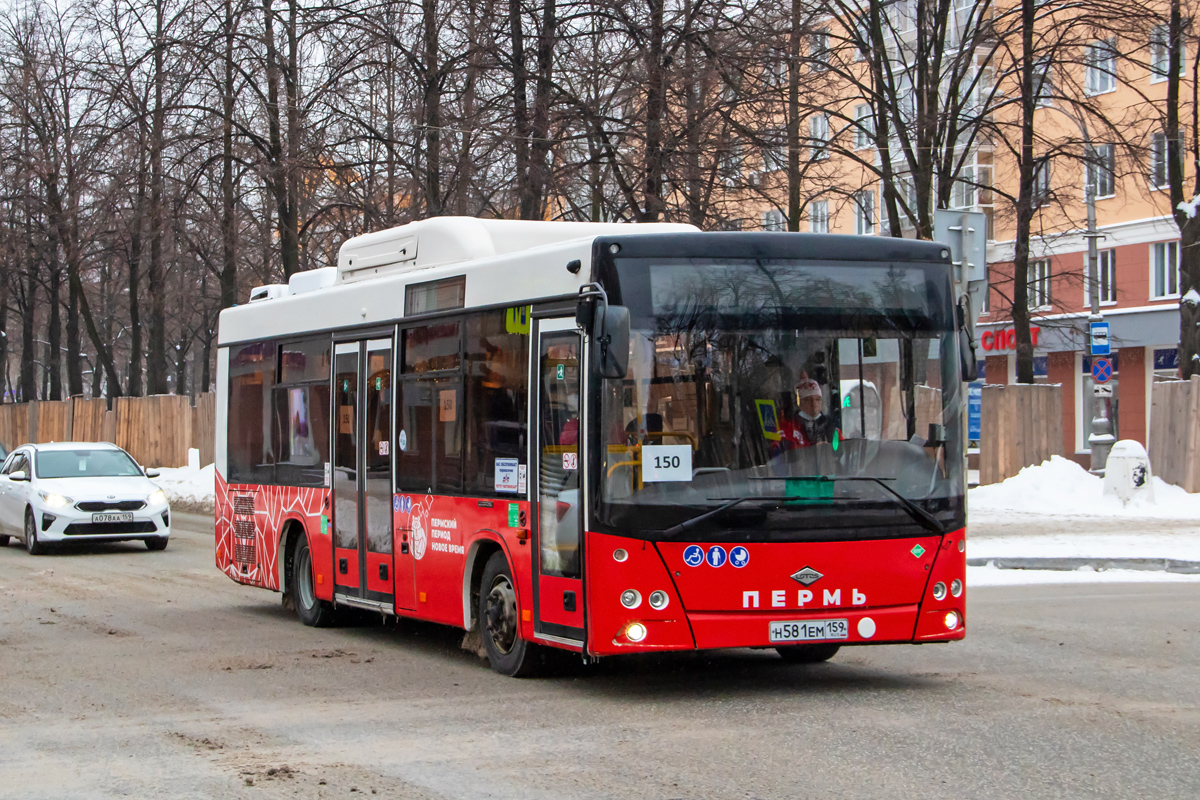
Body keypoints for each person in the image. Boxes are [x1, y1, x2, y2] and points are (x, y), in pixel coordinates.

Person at [780, 377, 837, 447]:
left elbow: (841, 448)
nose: (814, 404)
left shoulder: (831, 426)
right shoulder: (789, 427)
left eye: (818, 399)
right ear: (800, 403)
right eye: (808, 400)